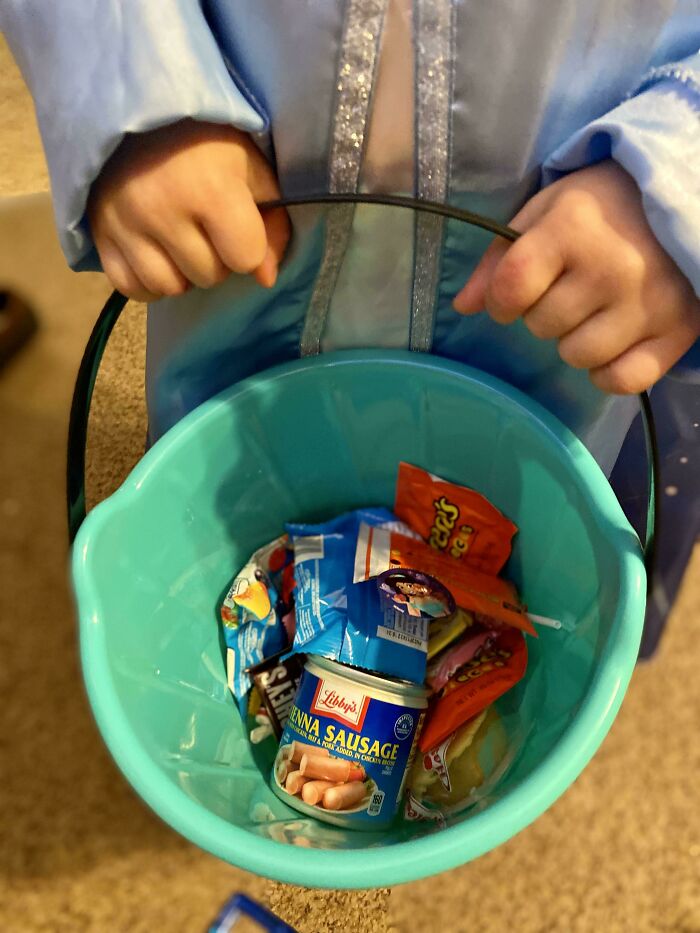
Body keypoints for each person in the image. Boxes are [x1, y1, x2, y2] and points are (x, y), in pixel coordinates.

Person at [3, 1, 699, 646]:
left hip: (568, 327)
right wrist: (129, 84)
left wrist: (677, 179)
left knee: (542, 583)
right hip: (230, 293)